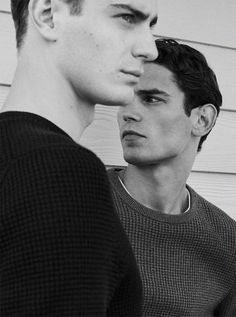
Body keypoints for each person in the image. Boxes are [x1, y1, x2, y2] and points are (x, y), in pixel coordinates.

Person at [0, 0, 158, 315]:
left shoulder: (14, 154)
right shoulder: (59, 170)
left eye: (151, 25)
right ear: (47, 15)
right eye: (126, 17)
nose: (149, 48)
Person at [108, 39, 236, 316]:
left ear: (202, 119)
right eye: (124, 100)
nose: (128, 114)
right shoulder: (73, 205)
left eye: (152, 99)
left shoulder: (229, 242)